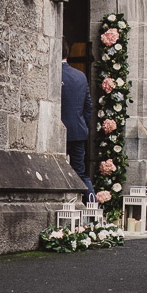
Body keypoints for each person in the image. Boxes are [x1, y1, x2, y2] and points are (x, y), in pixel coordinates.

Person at [61, 53, 91, 193]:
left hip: (58, 133)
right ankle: (94, 207)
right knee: (80, 174)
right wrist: (84, 125)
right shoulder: (81, 76)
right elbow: (88, 106)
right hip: (78, 132)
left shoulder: (54, 73)